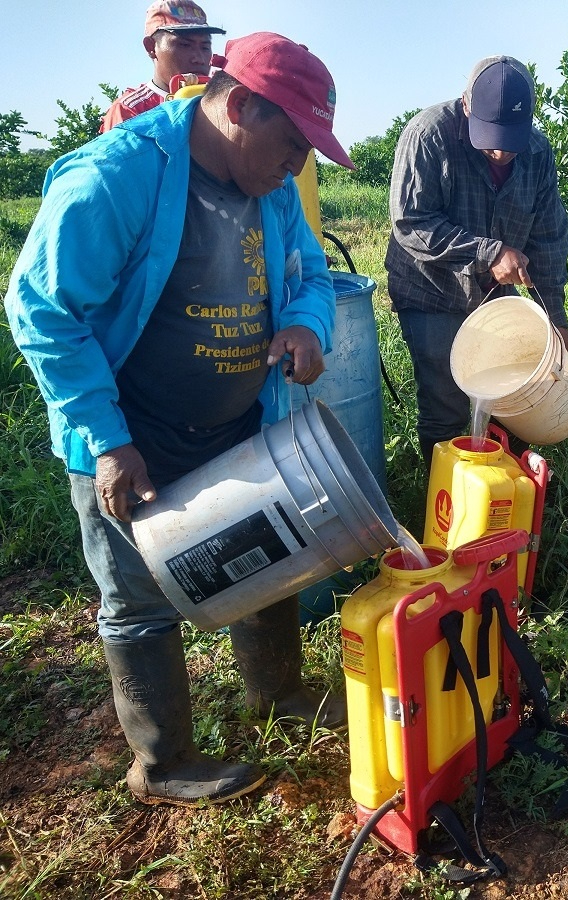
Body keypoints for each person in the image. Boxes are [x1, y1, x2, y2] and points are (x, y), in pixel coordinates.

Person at [5, 32, 357, 807]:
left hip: (235, 420)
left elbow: (310, 276)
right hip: (133, 437)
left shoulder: (269, 190)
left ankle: (278, 697)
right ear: (238, 107)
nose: (296, 166)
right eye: (292, 143)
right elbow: (41, 311)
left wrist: (306, 324)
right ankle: (161, 764)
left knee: (269, 556)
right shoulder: (119, 175)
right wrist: (108, 440)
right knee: (136, 602)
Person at [385, 55, 568, 466]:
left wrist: (557, 320)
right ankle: (446, 509)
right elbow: (410, 222)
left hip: (493, 297)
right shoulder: (429, 135)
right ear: (466, 105)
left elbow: (547, 239)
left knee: (506, 400)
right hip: (429, 290)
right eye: (489, 136)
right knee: (445, 407)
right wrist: (488, 252)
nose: (499, 150)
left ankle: (504, 501)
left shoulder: (539, 155)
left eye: (511, 140)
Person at [100, 1, 225, 133]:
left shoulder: (223, 99)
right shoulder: (130, 111)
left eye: (205, 47)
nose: (199, 59)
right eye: (184, 45)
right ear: (151, 47)